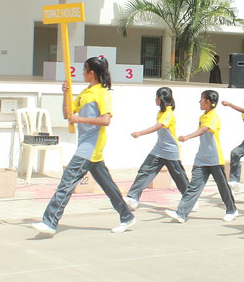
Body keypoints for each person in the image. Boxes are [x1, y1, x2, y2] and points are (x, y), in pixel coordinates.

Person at [31, 57, 135, 236]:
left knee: (67, 182)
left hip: (91, 146)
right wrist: (65, 94)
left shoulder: (102, 93)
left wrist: (79, 119)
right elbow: (68, 114)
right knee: (108, 186)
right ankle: (127, 216)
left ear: (91, 73)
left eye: (84, 70)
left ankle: (50, 221)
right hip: (87, 146)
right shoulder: (85, 93)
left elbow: (106, 120)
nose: (82, 73)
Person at [165, 90, 238, 223]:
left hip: (214, 158)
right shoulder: (203, 116)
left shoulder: (214, 117)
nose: (199, 102)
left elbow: (204, 130)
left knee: (222, 186)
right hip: (201, 159)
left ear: (208, 102)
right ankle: (181, 213)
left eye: (201, 99)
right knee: (194, 186)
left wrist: (187, 137)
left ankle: (232, 210)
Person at [124, 87, 189, 208]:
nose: (155, 99)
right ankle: (132, 198)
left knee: (179, 177)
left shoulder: (168, 113)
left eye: (156, 97)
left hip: (171, 151)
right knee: (145, 171)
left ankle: (190, 200)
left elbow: (158, 126)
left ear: (161, 98)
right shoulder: (161, 112)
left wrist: (140, 133)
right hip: (159, 149)